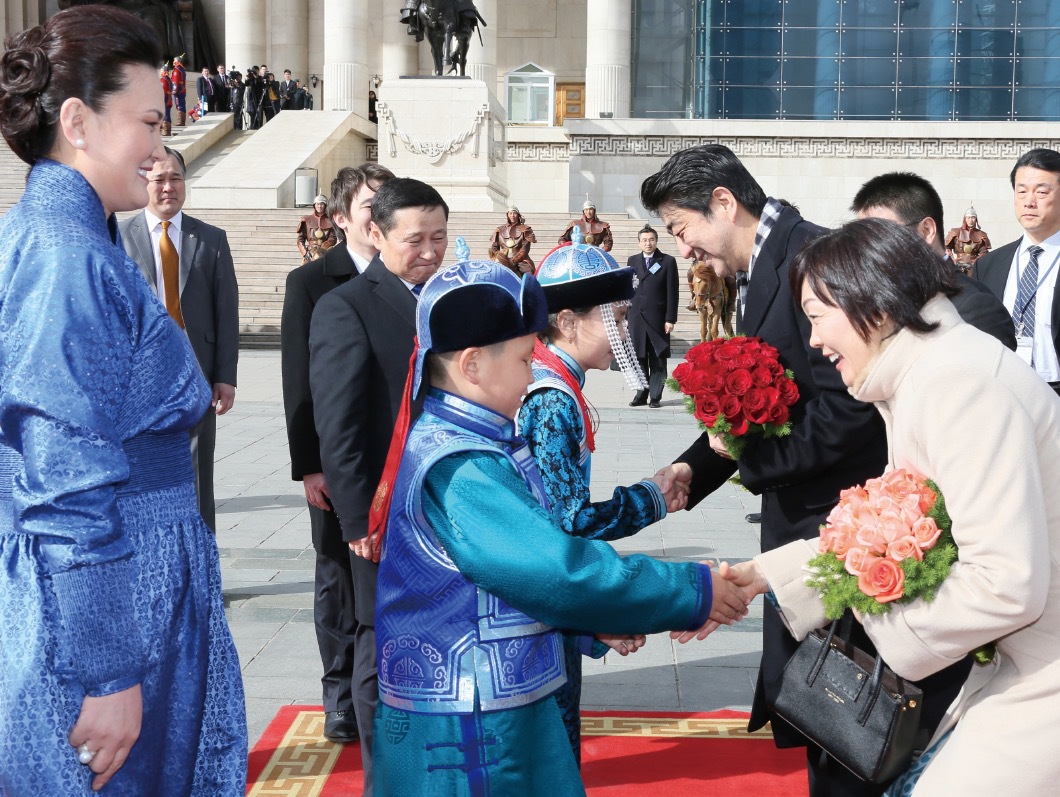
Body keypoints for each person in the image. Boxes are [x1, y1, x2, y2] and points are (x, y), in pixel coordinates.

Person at [641, 144, 967, 797]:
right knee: (827, 728)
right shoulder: (763, 265)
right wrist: (693, 467)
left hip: (849, 539)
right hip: (807, 535)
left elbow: (849, 410)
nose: (682, 247)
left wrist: (754, 465)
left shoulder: (814, 260)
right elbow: (759, 406)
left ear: (724, 203)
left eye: (681, 227)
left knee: (851, 728)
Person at [371, 258, 752, 795]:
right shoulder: (459, 465)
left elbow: (512, 577)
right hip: (467, 723)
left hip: (489, 696)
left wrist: (590, 624)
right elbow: (555, 570)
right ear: (472, 364)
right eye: (524, 359)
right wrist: (692, 589)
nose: (533, 375)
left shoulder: (472, 440)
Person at [715, 217, 1060, 795]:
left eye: (817, 316)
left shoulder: (956, 384)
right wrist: (763, 575)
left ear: (872, 306)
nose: (814, 340)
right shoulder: (929, 374)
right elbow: (890, 530)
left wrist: (878, 618)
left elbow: (1005, 584)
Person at [0, 7, 246, 795]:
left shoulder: (72, 240)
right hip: (113, 608)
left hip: (129, 592)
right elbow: (65, 475)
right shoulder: (67, 255)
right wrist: (107, 672)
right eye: (147, 122)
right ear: (77, 122)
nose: (159, 147)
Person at [308, 177, 450, 795]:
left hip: (446, 502)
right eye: (415, 239)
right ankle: (385, 776)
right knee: (378, 639)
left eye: (439, 237)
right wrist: (359, 520)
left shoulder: (451, 298)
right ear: (377, 233)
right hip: (384, 513)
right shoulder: (346, 307)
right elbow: (338, 427)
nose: (429, 251)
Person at [518, 234, 682, 765]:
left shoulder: (552, 379)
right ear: (567, 321)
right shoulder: (551, 399)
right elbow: (570, 523)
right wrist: (651, 499)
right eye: (615, 317)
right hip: (536, 609)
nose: (623, 331)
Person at [281, 162, 395, 746]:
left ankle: (387, 682)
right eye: (371, 205)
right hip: (337, 460)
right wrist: (311, 465)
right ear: (343, 216)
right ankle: (340, 695)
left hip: (396, 458)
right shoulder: (310, 282)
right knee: (337, 577)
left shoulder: (409, 275)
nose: (381, 215)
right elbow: (299, 383)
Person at [120, 147, 240, 532]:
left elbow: (226, 312)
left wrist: (225, 376)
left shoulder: (211, 239)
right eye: (159, 179)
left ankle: (201, 559)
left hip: (195, 374)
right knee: (141, 473)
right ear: (144, 182)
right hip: (137, 381)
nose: (168, 187)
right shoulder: (118, 237)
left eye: (176, 178)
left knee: (198, 474)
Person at [850, 171, 1016, 350]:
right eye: (862, 239)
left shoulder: (975, 308)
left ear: (927, 230)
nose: (869, 249)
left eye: (880, 236)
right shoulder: (875, 302)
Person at [974, 148, 1060, 394]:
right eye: (1021, 191)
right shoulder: (988, 265)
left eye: (1041, 192)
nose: (1029, 201)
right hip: (1004, 391)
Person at [627, 223, 679, 407]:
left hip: (657, 319)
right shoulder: (632, 261)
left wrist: (670, 318)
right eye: (644, 240)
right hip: (636, 317)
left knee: (658, 358)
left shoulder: (667, 261)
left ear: (656, 241)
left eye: (651, 240)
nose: (648, 243)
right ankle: (641, 394)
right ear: (639, 242)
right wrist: (625, 316)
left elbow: (672, 292)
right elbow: (628, 289)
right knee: (638, 357)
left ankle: (655, 396)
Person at [488, 203, 537, 274]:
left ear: (518, 215)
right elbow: (494, 248)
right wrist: (501, 257)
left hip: (521, 260)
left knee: (529, 273)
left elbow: (525, 249)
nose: (512, 215)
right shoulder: (499, 230)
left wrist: (513, 261)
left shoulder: (525, 229)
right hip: (503, 259)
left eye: (514, 213)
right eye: (510, 213)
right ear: (507, 215)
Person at [945, 205, 991, 274]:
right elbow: (946, 247)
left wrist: (974, 263)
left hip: (973, 266)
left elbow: (984, 252)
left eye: (973, 217)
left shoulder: (981, 235)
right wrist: (952, 260)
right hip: (958, 264)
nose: (970, 220)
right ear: (965, 219)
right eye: (968, 218)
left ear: (976, 219)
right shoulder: (956, 232)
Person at [297, 193, 338, 263]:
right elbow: (300, 239)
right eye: (317, 204)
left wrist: (322, 249)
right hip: (311, 252)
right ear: (314, 205)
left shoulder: (330, 220)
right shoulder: (306, 220)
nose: (319, 206)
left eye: (322, 204)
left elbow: (333, 238)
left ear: (325, 205)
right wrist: (305, 253)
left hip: (325, 251)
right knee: (307, 268)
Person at [171, 53, 187, 126]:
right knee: (182, 105)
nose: (173, 61)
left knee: (179, 105)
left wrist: (175, 90)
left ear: (177, 61)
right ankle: (182, 121)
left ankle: (180, 121)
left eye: (174, 60)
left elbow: (175, 81)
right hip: (182, 89)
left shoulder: (177, 69)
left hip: (179, 90)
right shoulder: (182, 69)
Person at [160, 63, 173, 136]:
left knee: (166, 115)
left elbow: (163, 92)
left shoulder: (163, 80)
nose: (160, 72)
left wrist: (163, 102)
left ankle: (166, 131)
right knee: (167, 115)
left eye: (161, 70)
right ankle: (167, 131)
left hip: (166, 100)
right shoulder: (168, 79)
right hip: (168, 99)